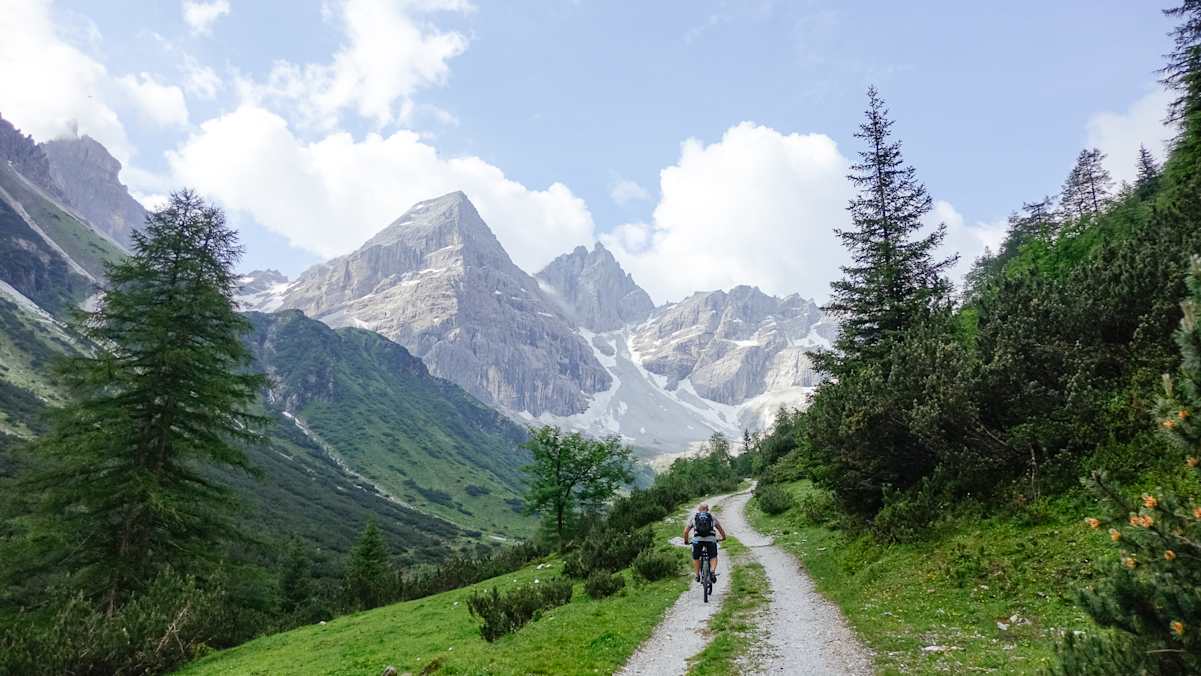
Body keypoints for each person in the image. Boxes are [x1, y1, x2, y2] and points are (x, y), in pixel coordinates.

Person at [683, 502, 727, 583]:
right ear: (707, 509)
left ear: (699, 509)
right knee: (713, 556)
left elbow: (686, 532)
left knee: (696, 557)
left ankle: (697, 575)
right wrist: (723, 538)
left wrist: (686, 541)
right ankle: (712, 571)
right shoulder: (712, 517)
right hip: (711, 540)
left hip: (697, 540)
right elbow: (720, 529)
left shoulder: (694, 517)